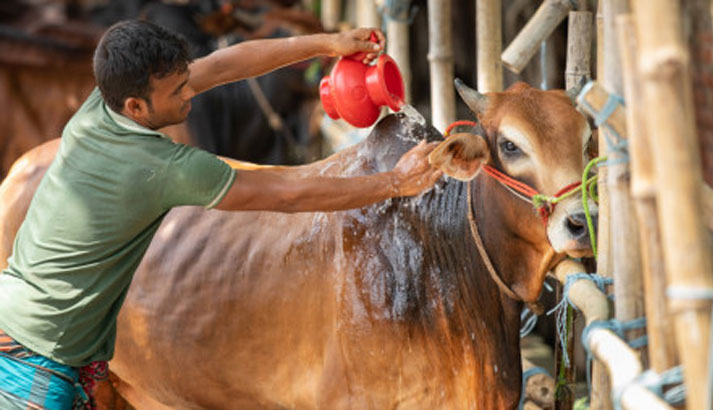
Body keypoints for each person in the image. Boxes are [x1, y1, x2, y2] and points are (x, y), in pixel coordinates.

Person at [0, 20, 442, 410]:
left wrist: (329, 43)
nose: (189, 94)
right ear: (136, 106)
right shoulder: (162, 168)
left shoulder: (103, 105)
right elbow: (287, 195)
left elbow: (229, 64)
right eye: (177, 92)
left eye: (185, 81)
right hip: (38, 362)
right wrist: (394, 184)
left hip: (19, 318)